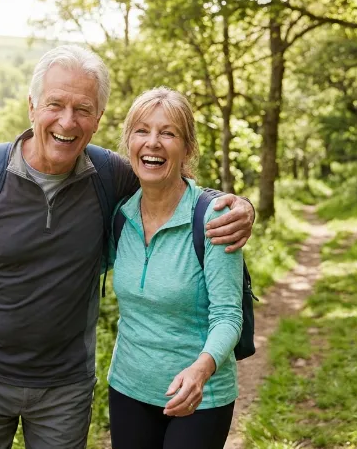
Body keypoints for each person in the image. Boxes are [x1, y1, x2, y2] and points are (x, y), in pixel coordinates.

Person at [0, 45, 254, 448]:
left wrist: (240, 206)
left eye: (82, 109)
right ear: (31, 106)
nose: (67, 120)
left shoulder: (110, 176)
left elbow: (173, 188)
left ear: (97, 119)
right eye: (55, 104)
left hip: (65, 391)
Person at [107, 87, 243, 449]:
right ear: (128, 143)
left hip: (199, 397)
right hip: (128, 388)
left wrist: (201, 370)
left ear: (187, 148)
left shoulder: (215, 217)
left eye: (168, 133)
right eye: (142, 131)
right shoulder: (120, 216)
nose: (153, 143)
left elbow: (229, 315)